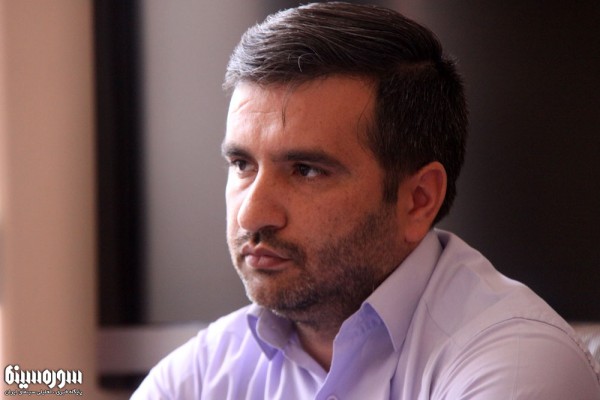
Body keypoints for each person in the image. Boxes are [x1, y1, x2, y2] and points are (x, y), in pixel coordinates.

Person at [132, 2, 600, 399]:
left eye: (306, 170)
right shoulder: (199, 376)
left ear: (418, 200)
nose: (252, 214)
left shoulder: (516, 363)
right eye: (242, 165)